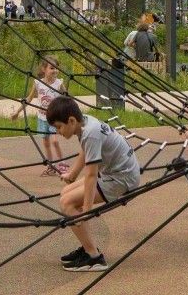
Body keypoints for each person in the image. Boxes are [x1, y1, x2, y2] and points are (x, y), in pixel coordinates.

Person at [50, 96, 141, 272]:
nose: (58, 132)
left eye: (59, 127)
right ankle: (87, 247)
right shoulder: (85, 123)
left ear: (71, 121)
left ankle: (94, 257)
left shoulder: (90, 133)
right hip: (117, 171)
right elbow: (86, 151)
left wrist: (87, 210)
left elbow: (91, 175)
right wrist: (73, 174)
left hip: (122, 178)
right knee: (65, 192)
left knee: (67, 203)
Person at [11, 57, 70, 176]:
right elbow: (29, 99)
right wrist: (17, 112)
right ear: (44, 69)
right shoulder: (38, 83)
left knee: (55, 141)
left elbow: (67, 98)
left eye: (56, 68)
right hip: (42, 118)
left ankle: (62, 164)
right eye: (52, 68)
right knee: (46, 143)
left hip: (54, 119)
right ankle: (51, 166)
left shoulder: (59, 83)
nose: (55, 70)